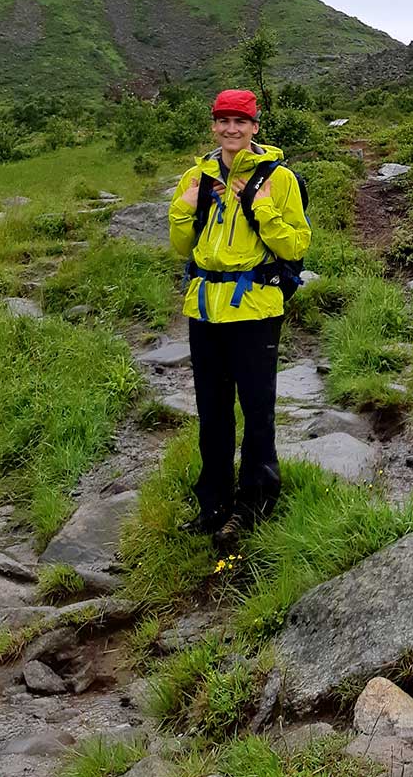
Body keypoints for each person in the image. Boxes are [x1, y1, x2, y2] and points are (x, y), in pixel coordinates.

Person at [167, 89, 311, 542]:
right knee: (211, 413)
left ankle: (253, 506)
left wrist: (261, 206)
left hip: (256, 308)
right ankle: (213, 505)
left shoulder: (281, 178)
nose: (231, 129)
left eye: (240, 121)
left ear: (255, 126)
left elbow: (295, 246)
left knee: (257, 410)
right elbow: (181, 248)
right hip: (205, 308)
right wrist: (183, 210)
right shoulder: (198, 175)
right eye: (223, 121)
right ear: (214, 125)